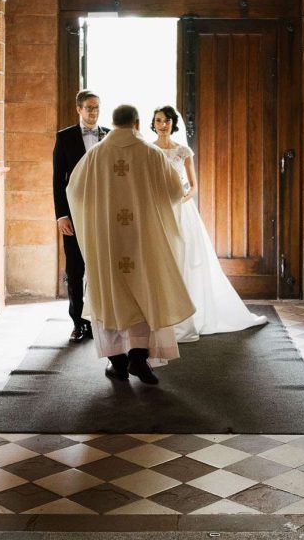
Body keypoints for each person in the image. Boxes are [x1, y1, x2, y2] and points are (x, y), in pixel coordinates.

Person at [66, 103, 196, 385]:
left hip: (108, 238)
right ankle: (139, 356)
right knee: (143, 291)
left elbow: (74, 191)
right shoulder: (152, 154)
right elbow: (175, 192)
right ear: (137, 124)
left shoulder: (96, 154)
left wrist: (94, 216)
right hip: (143, 237)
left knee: (110, 294)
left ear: (113, 123)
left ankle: (118, 363)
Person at [150, 104, 267, 341]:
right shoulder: (148, 150)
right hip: (157, 210)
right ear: (153, 124)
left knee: (185, 259)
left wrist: (181, 199)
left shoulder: (183, 151)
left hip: (181, 210)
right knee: (160, 260)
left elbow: (193, 186)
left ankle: (187, 316)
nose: (163, 125)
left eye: (167, 121)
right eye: (159, 121)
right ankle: (161, 316)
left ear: (173, 124)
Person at [52, 90, 109, 343]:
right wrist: (61, 215)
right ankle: (78, 321)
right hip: (74, 213)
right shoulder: (65, 137)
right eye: (88, 107)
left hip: (104, 212)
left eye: (96, 107)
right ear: (78, 109)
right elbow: (57, 180)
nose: (93, 112)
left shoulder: (110, 136)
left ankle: (104, 318)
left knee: (103, 267)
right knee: (75, 268)